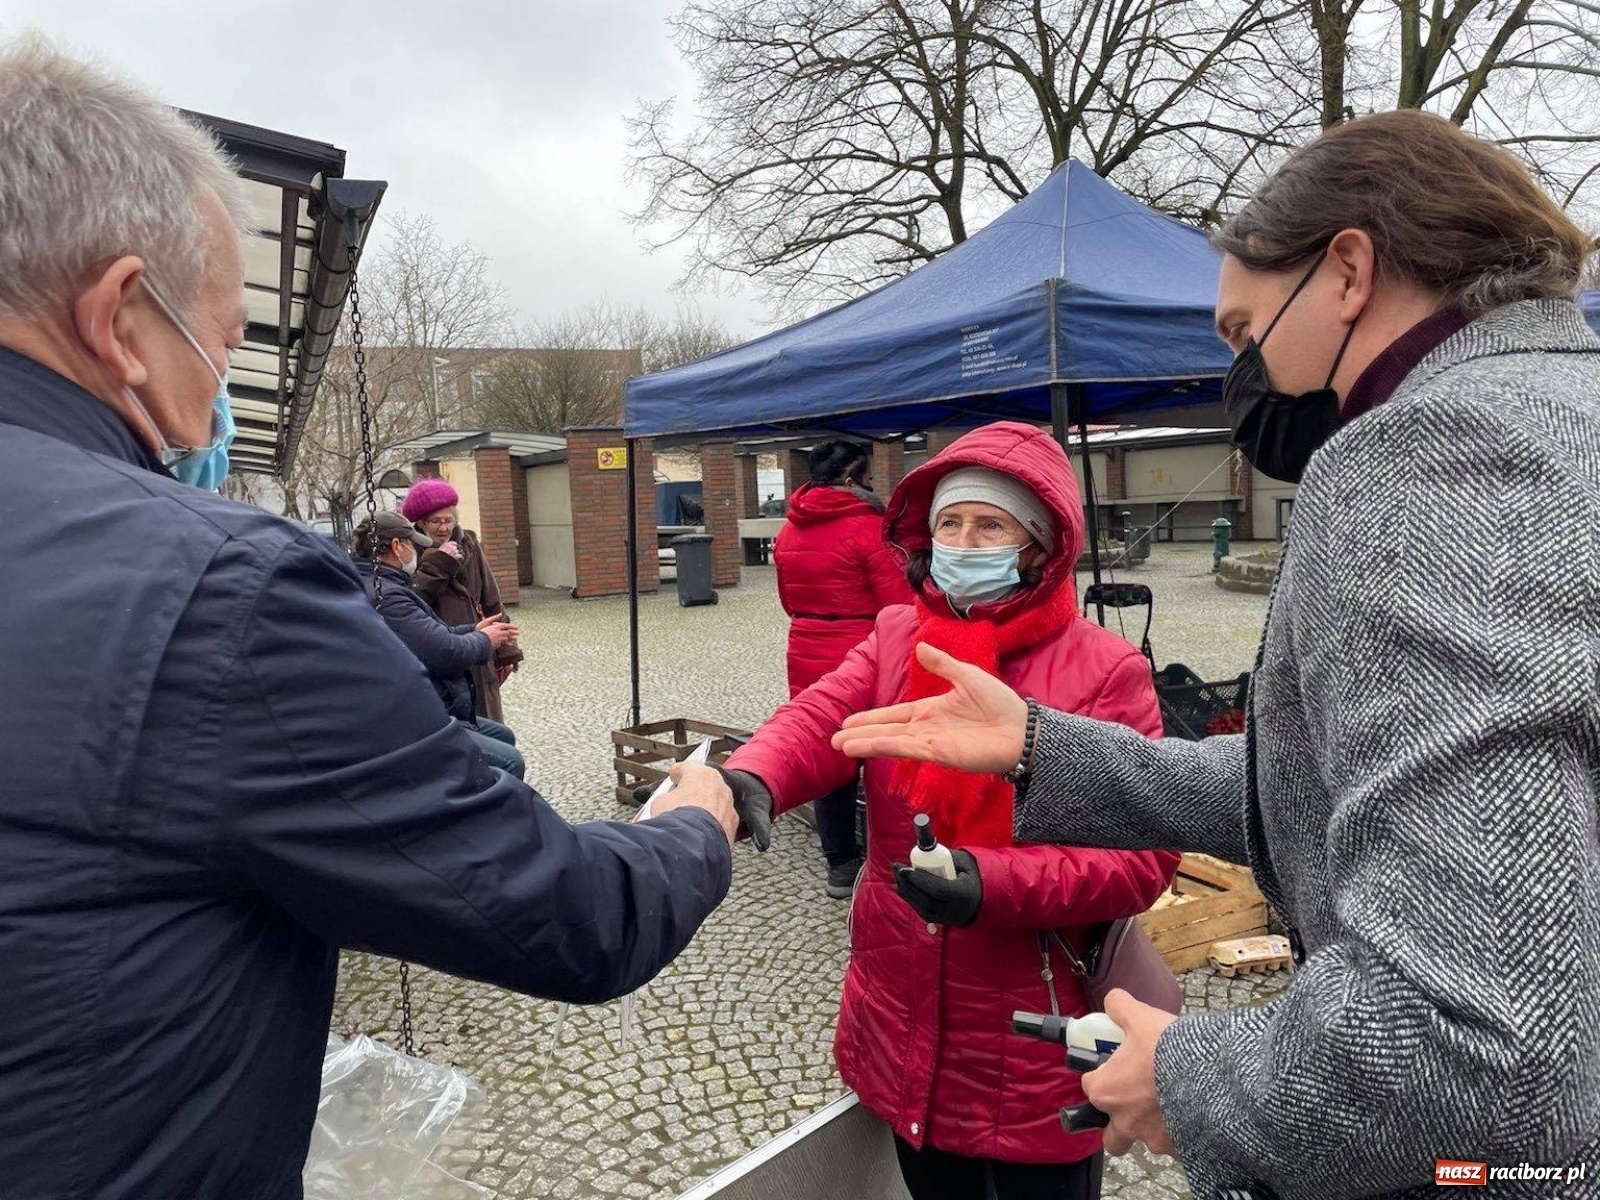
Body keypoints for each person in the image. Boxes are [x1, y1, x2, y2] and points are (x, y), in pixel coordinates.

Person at [0, 40, 742, 1199]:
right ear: (117, 318)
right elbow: (568, 916)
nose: (219, 394)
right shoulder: (219, 593)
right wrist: (696, 822)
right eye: (223, 341)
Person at [832, 111, 1600, 1199]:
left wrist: (1187, 1076)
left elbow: (1475, 1041)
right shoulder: (1566, 405)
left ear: (1346, 271)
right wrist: (1045, 752)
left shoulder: (1431, 452)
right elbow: (1345, 784)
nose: (1238, 370)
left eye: (1242, 333)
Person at [721, 422, 1178, 1200]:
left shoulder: (1106, 671)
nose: (963, 540)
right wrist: (751, 778)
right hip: (899, 1009)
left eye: (990, 524)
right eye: (948, 522)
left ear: (1039, 544)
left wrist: (989, 883)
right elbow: (821, 717)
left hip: (1031, 1029)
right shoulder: (899, 634)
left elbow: (1142, 858)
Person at [772, 439, 914, 896]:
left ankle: (839, 861)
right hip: (863, 649)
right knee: (878, 751)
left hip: (806, 645)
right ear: (853, 479)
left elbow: (788, 600)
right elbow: (901, 604)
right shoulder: (869, 527)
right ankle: (886, 855)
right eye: (870, 477)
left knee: (828, 752)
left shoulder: (789, 529)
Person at [355, 511, 527, 779]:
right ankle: (491, 815)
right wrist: (484, 640)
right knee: (510, 762)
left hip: (430, 702)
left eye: (448, 519)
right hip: (415, 717)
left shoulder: (391, 585)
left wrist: (473, 629)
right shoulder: (387, 594)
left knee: (502, 734)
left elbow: (430, 633)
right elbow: (443, 652)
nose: (416, 551)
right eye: (412, 544)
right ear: (397, 547)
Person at [401, 477, 523, 722]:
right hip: (445, 650)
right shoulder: (409, 552)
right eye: (435, 521)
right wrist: (439, 564)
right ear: (421, 523)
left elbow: (491, 597)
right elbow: (414, 596)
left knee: (490, 724)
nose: (443, 528)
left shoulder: (468, 543)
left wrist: (508, 651)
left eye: (448, 520)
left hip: (481, 648)